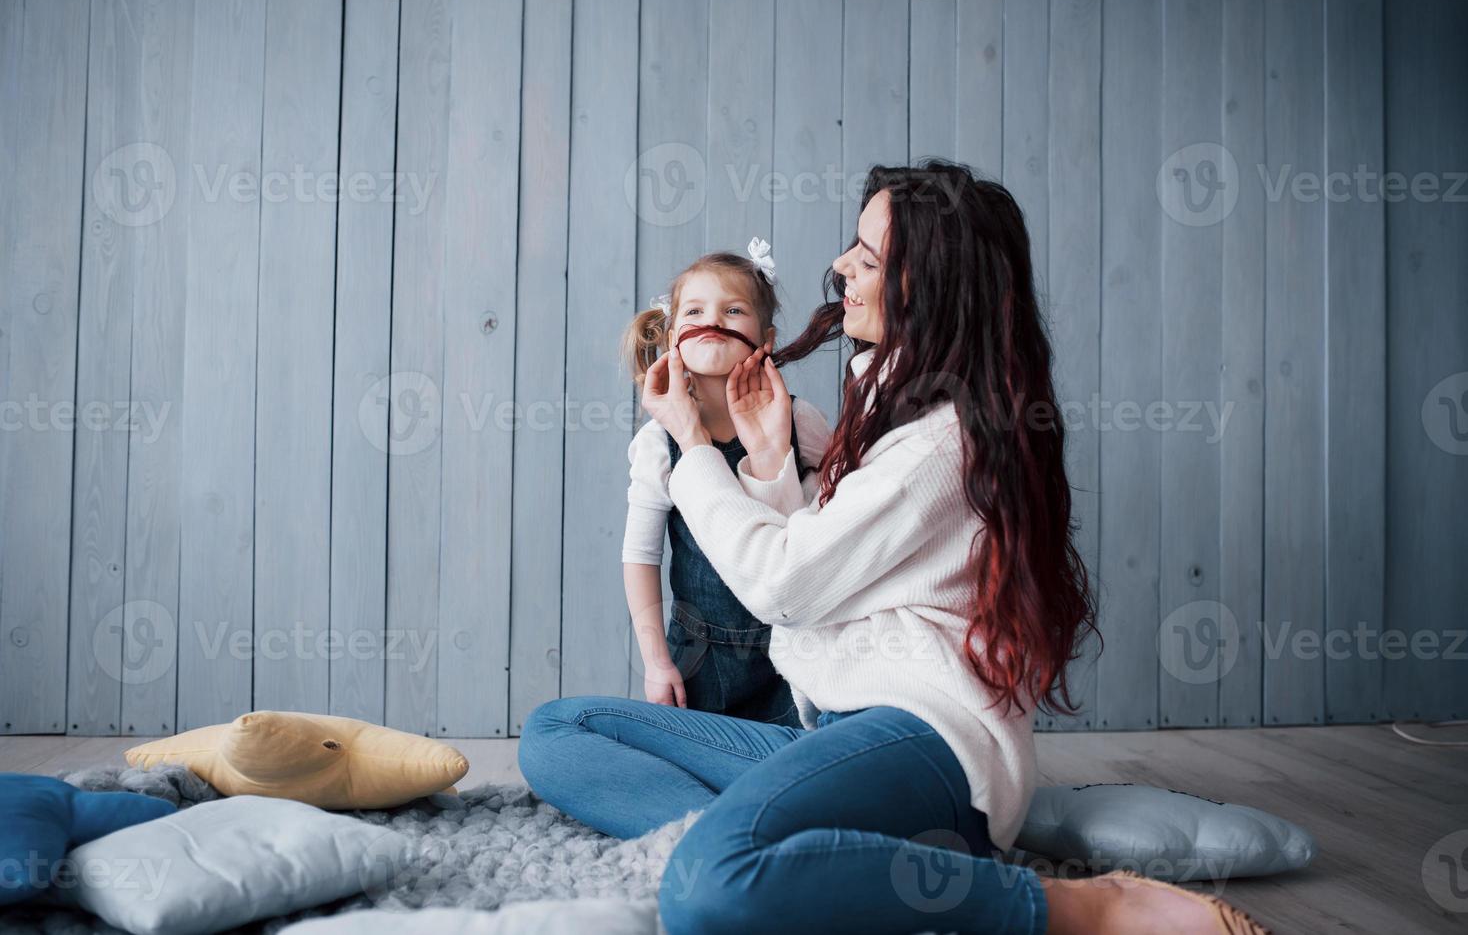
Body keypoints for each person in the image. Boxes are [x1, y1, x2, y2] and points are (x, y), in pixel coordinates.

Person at [521, 162, 1271, 935]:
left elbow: (782, 586)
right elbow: (830, 564)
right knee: (556, 733)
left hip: (925, 736)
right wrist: (774, 461)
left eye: (868, 258)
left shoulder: (943, 441)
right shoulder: (885, 400)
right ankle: (811, 848)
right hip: (837, 730)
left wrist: (692, 445)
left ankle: (1078, 904)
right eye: (853, 247)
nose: (840, 266)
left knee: (705, 891)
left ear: (927, 290)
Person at [618, 239, 830, 727]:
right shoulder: (659, 443)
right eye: (695, 310)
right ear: (672, 336)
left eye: (733, 310)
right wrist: (655, 660)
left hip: (791, 650)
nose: (713, 320)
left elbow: (834, 524)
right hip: (700, 657)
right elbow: (640, 555)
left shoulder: (803, 422)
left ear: (767, 338)